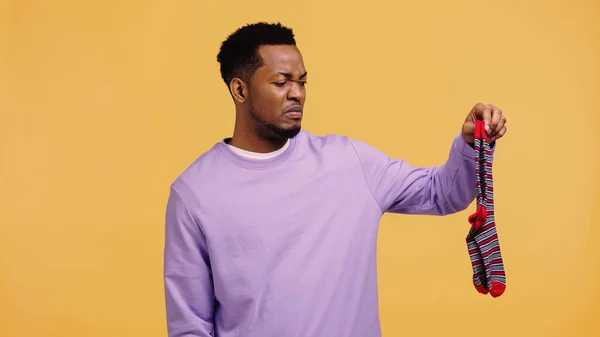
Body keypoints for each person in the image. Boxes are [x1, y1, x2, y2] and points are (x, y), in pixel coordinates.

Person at [163, 21, 507, 337]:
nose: (297, 93)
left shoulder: (349, 162)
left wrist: (470, 143)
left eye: (302, 82)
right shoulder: (195, 193)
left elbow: (441, 194)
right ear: (240, 90)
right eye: (282, 82)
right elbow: (189, 325)